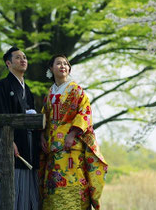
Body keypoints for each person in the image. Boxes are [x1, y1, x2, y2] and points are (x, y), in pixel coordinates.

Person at [39, 54, 108, 210]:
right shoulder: (50, 93)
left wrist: (71, 134)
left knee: (73, 182)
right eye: (58, 63)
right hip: (52, 149)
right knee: (53, 188)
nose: (63, 66)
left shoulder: (76, 90)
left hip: (71, 147)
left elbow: (84, 112)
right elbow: (44, 117)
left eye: (66, 64)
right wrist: (41, 136)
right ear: (51, 68)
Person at [0, 46, 40, 210]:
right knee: (8, 190)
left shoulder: (26, 89)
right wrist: (8, 142)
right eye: (18, 58)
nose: (23, 60)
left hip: (27, 146)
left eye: (25, 57)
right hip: (12, 145)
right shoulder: (3, 86)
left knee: (26, 193)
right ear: (8, 63)